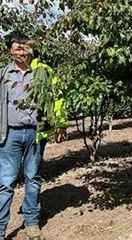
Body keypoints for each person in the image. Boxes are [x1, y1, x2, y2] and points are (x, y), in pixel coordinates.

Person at [0, 32, 68, 240]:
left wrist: (61, 123)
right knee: (5, 182)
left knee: (33, 178)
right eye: (16, 47)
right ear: (10, 51)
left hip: (35, 134)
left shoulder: (44, 72)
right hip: (9, 134)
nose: (21, 51)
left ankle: (31, 222)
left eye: (24, 47)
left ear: (31, 49)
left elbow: (58, 97)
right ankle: (1, 227)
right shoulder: (4, 74)